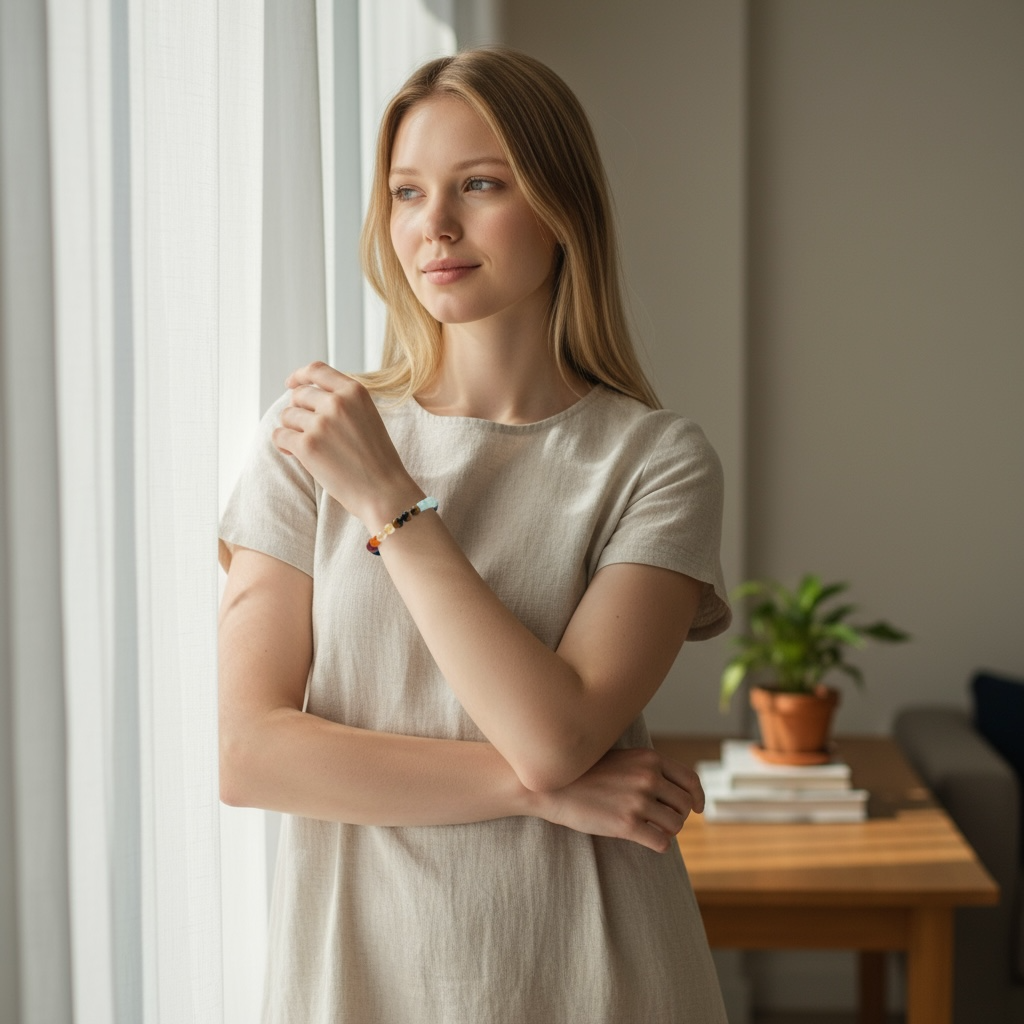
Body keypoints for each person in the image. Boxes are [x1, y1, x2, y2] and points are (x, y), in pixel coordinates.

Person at [219, 45, 731, 1024]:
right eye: (407, 193)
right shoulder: (305, 440)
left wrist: (388, 499)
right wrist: (543, 794)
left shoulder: (656, 461)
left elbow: (556, 733)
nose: (434, 226)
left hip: (594, 969)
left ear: (561, 207)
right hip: (360, 975)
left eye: (480, 185)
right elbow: (250, 755)